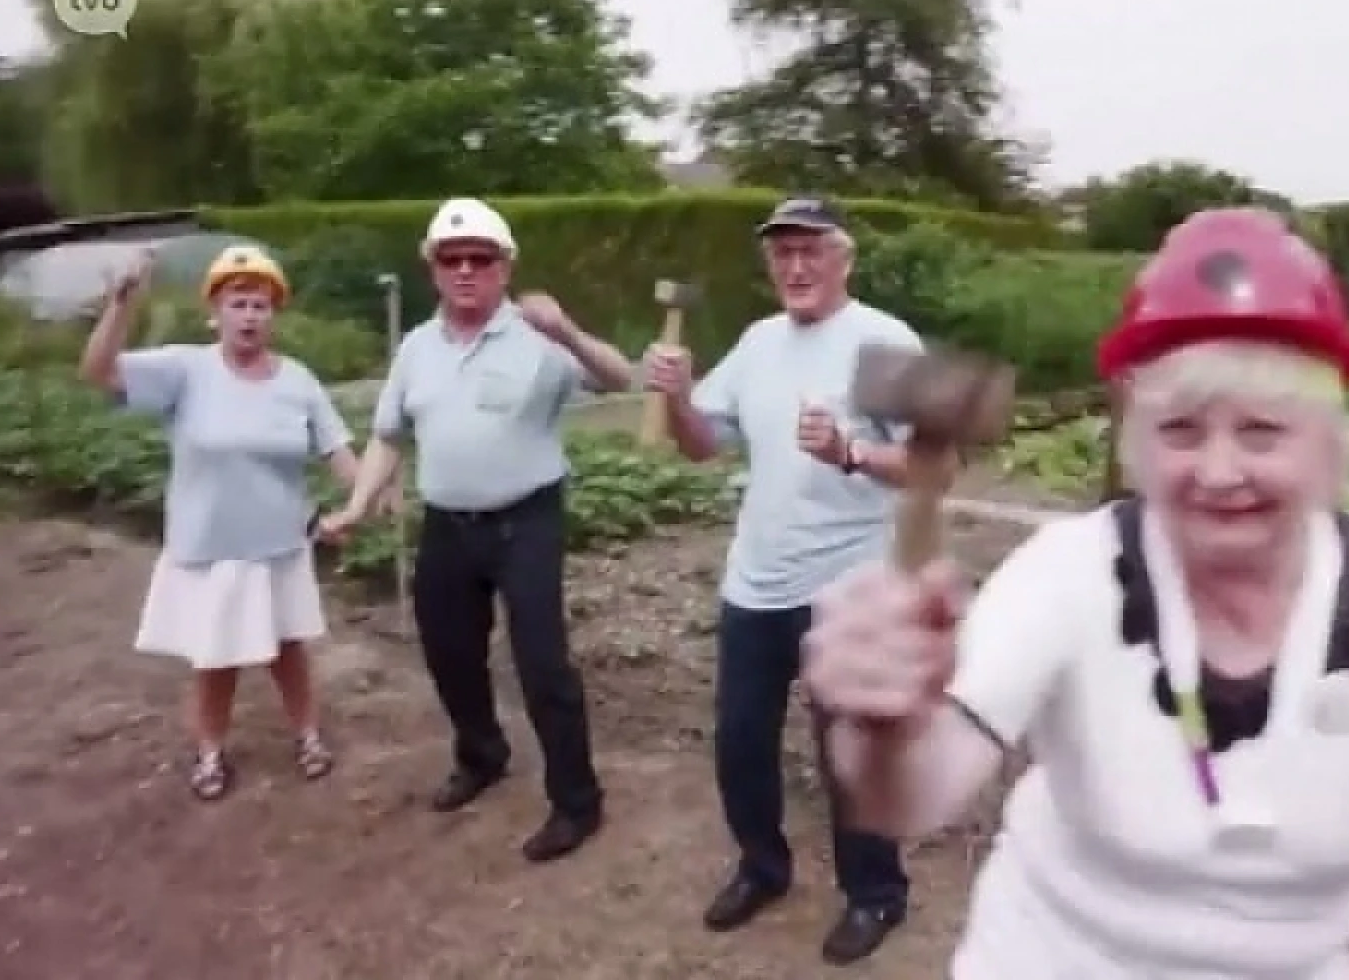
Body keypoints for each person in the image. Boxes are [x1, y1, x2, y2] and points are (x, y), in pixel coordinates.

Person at [801, 207, 1349, 979]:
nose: (1220, 470)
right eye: (1182, 429)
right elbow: (905, 804)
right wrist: (880, 724)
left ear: (1332, 441)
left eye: (1265, 430)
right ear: (1136, 441)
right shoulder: (1069, 571)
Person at [640, 196, 922, 965]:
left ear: (844, 258)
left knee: (850, 752)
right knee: (739, 744)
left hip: (848, 583)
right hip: (757, 583)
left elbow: (933, 463)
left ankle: (875, 894)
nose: (795, 267)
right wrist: (674, 395)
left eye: (811, 251)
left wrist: (850, 452)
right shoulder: (758, 342)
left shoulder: (885, 343)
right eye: (782, 253)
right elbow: (701, 446)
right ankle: (763, 869)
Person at [320, 197, 633, 865]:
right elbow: (387, 436)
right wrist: (356, 504)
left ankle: (577, 801)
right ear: (433, 268)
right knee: (449, 653)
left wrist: (570, 332)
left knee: (542, 662)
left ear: (504, 266)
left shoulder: (538, 338)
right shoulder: (416, 349)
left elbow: (620, 377)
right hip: (448, 526)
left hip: (527, 521)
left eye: (480, 259)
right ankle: (482, 754)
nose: (466, 270)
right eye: (451, 259)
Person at [79, 245, 360, 802]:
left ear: (274, 314)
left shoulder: (297, 381)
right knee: (215, 660)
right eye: (239, 302)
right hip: (212, 549)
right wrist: (122, 302)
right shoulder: (186, 370)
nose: (251, 315)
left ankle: (307, 736)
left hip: (279, 544)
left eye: (261, 304)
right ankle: (210, 753)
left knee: (288, 651)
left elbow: (339, 452)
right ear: (216, 311)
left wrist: (363, 500)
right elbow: (98, 372)